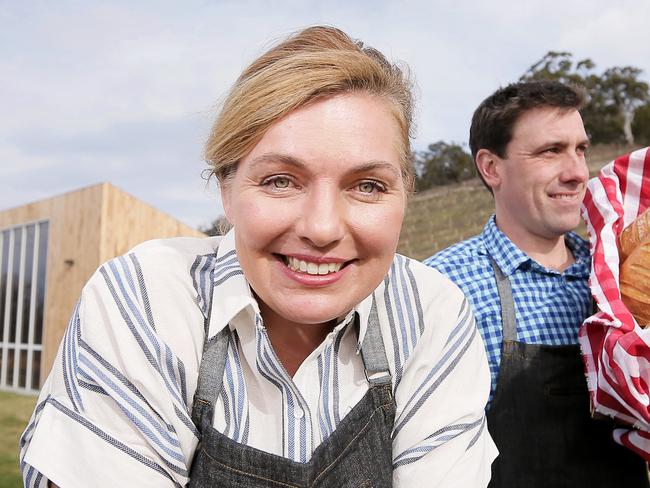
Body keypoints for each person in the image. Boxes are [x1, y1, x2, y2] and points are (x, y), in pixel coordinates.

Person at [20, 26, 496, 487]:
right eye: (281, 181)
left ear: (404, 196)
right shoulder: (146, 298)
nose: (322, 228)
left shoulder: (432, 315)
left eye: (367, 186)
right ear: (226, 189)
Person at [424, 80, 649, 487]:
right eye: (551, 151)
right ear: (491, 167)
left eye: (580, 149)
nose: (577, 172)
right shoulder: (444, 287)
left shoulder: (620, 276)